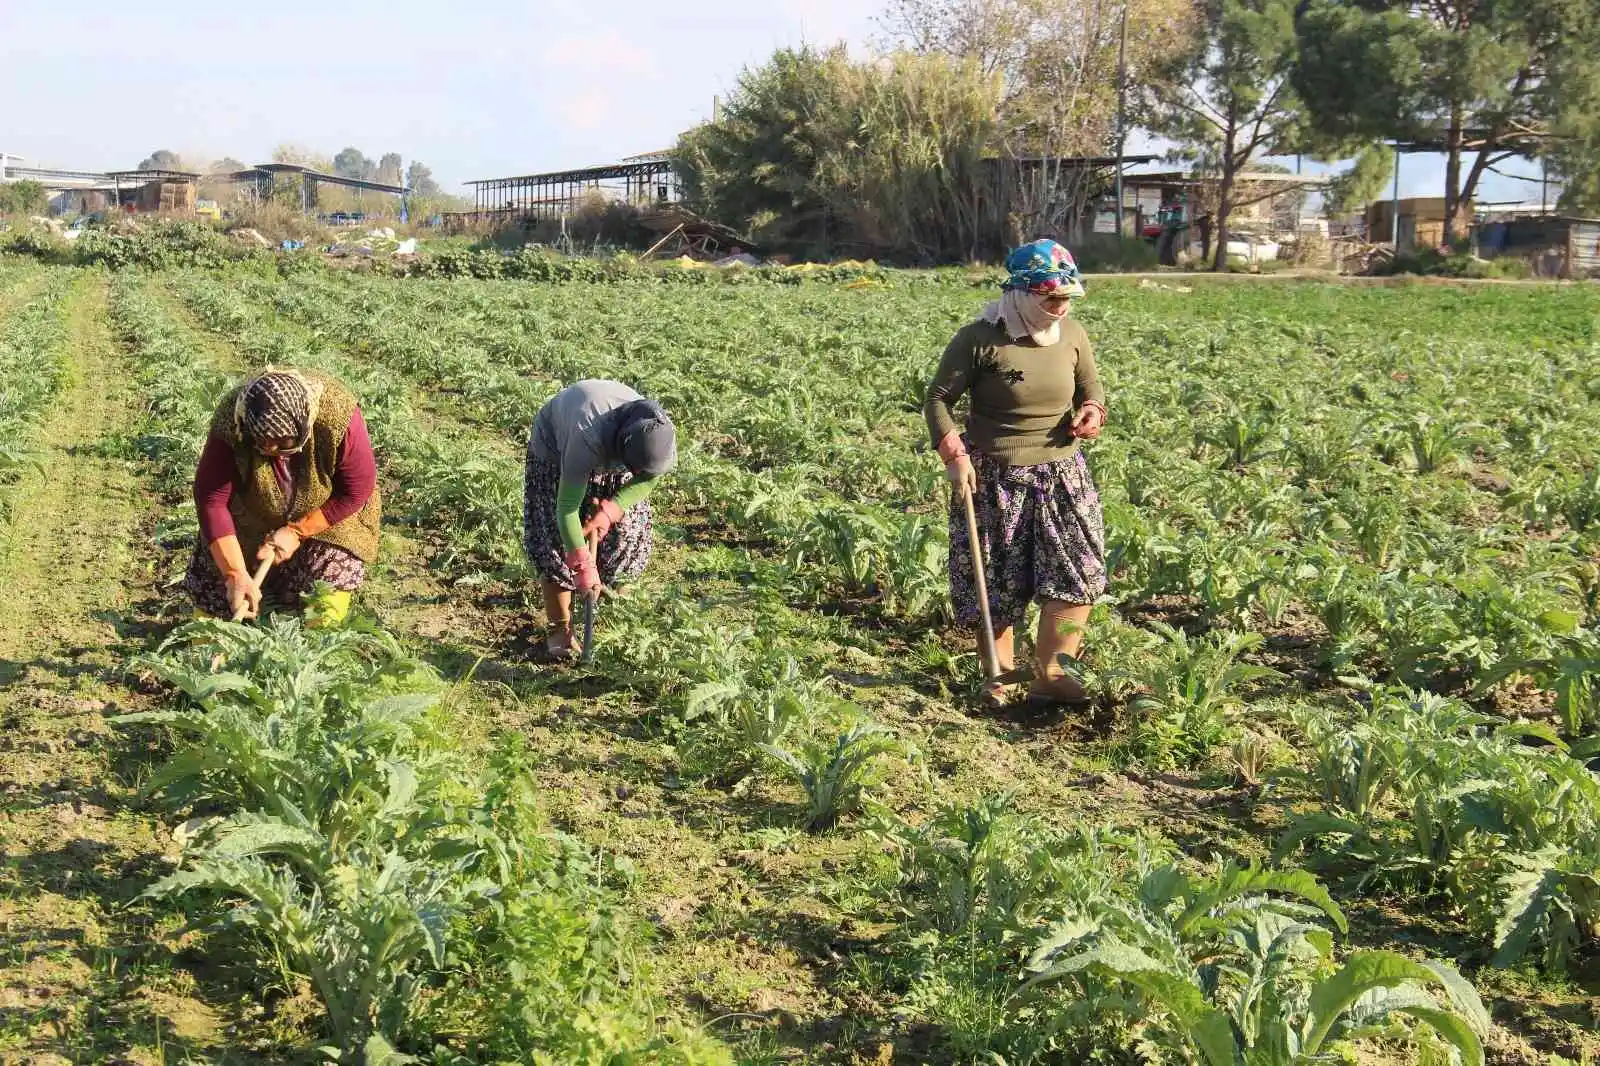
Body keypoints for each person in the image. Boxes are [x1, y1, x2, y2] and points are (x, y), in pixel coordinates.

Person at [923, 238, 1108, 707]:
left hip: (1063, 475)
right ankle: (999, 675)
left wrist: (1092, 411)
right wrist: (955, 454)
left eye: (1067, 298)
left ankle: (1052, 673)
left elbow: (1091, 387)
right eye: (1051, 298)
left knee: (1078, 574)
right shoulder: (980, 338)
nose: (1061, 307)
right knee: (997, 581)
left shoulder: (1073, 336)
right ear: (1024, 294)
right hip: (995, 477)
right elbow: (938, 399)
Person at [186, 367, 380, 626]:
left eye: (283, 444)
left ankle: (318, 637)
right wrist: (235, 574)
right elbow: (211, 498)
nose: (272, 451)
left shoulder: (337, 415)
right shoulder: (231, 419)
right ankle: (211, 636)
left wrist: (297, 531)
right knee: (221, 579)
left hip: (327, 510)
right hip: (253, 510)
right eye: (263, 444)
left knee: (331, 570)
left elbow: (355, 490)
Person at [523, 380, 677, 659]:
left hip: (621, 452)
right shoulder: (587, 434)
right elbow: (566, 508)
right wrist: (582, 565)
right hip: (557, 452)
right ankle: (561, 631)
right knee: (556, 540)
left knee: (627, 535)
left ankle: (619, 625)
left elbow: (648, 479)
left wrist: (610, 511)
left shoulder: (660, 436)